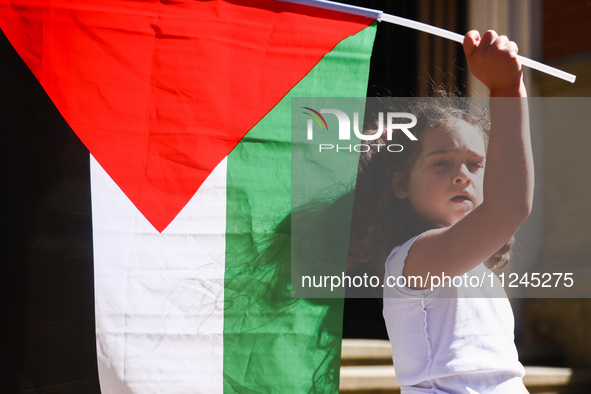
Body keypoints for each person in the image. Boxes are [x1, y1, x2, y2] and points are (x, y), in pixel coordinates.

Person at [351, 30, 532, 393]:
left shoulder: (470, 266)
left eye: (475, 165)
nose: (462, 176)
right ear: (400, 185)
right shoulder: (414, 257)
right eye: (441, 164)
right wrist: (507, 89)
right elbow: (509, 206)